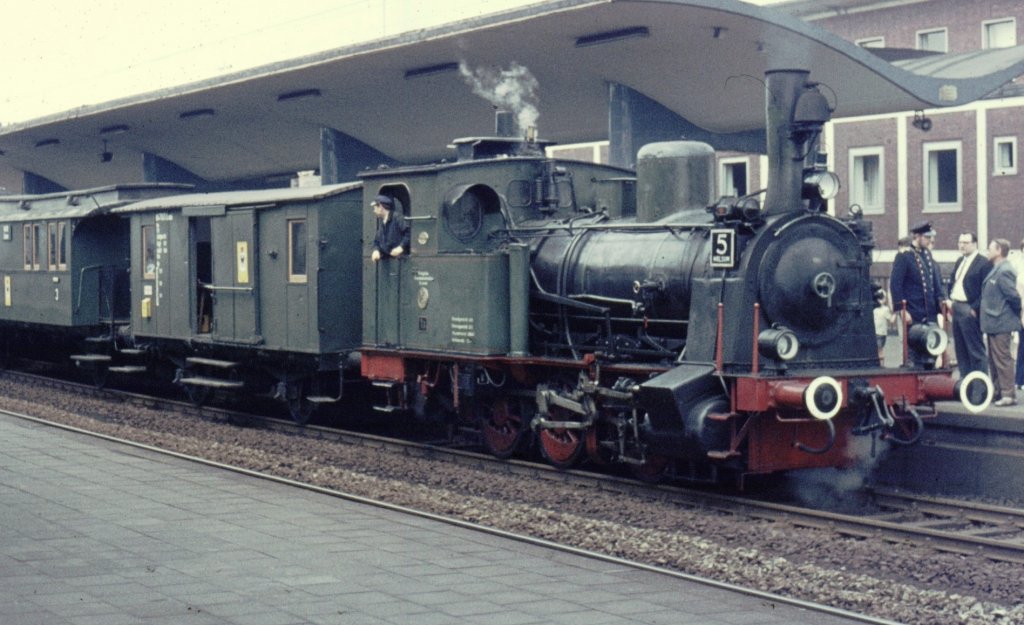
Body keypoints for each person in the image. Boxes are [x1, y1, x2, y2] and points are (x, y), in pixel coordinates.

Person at [889, 222, 947, 365]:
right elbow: (895, 285)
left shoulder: (928, 255)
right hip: (913, 312)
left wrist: (942, 302)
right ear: (917, 236)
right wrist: (901, 310)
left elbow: (935, 282)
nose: (929, 240)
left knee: (931, 352)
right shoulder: (904, 256)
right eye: (926, 237)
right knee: (913, 353)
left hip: (929, 313)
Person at [980, 238, 1022, 407]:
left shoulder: (1004, 270)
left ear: (999, 251)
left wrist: (1009, 313)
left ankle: (1008, 394)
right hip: (994, 322)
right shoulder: (997, 269)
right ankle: (998, 391)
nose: (987, 251)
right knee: (994, 359)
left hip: (1000, 321)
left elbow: (1014, 297)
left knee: (1002, 359)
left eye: (990, 248)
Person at [948, 232, 991, 377]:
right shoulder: (960, 261)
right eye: (960, 242)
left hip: (969, 309)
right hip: (956, 307)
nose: (962, 245)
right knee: (961, 349)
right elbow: (953, 281)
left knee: (975, 350)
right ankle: (966, 384)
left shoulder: (983, 263)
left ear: (974, 244)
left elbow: (985, 290)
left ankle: (980, 387)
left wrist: (975, 308)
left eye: (965, 243)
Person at [370, 195, 410, 262]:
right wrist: (376, 251)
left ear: (380, 207)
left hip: (401, 260)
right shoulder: (383, 224)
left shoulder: (397, 218)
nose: (374, 211)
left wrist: (401, 247)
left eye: (375, 208)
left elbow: (409, 233)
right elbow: (376, 242)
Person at [873, 287, 895, 364]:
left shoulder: (873, 310)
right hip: (882, 333)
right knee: (880, 349)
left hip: (876, 332)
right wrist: (895, 312)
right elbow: (892, 320)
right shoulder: (885, 309)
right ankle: (881, 364)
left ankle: (880, 364)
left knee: (879, 350)